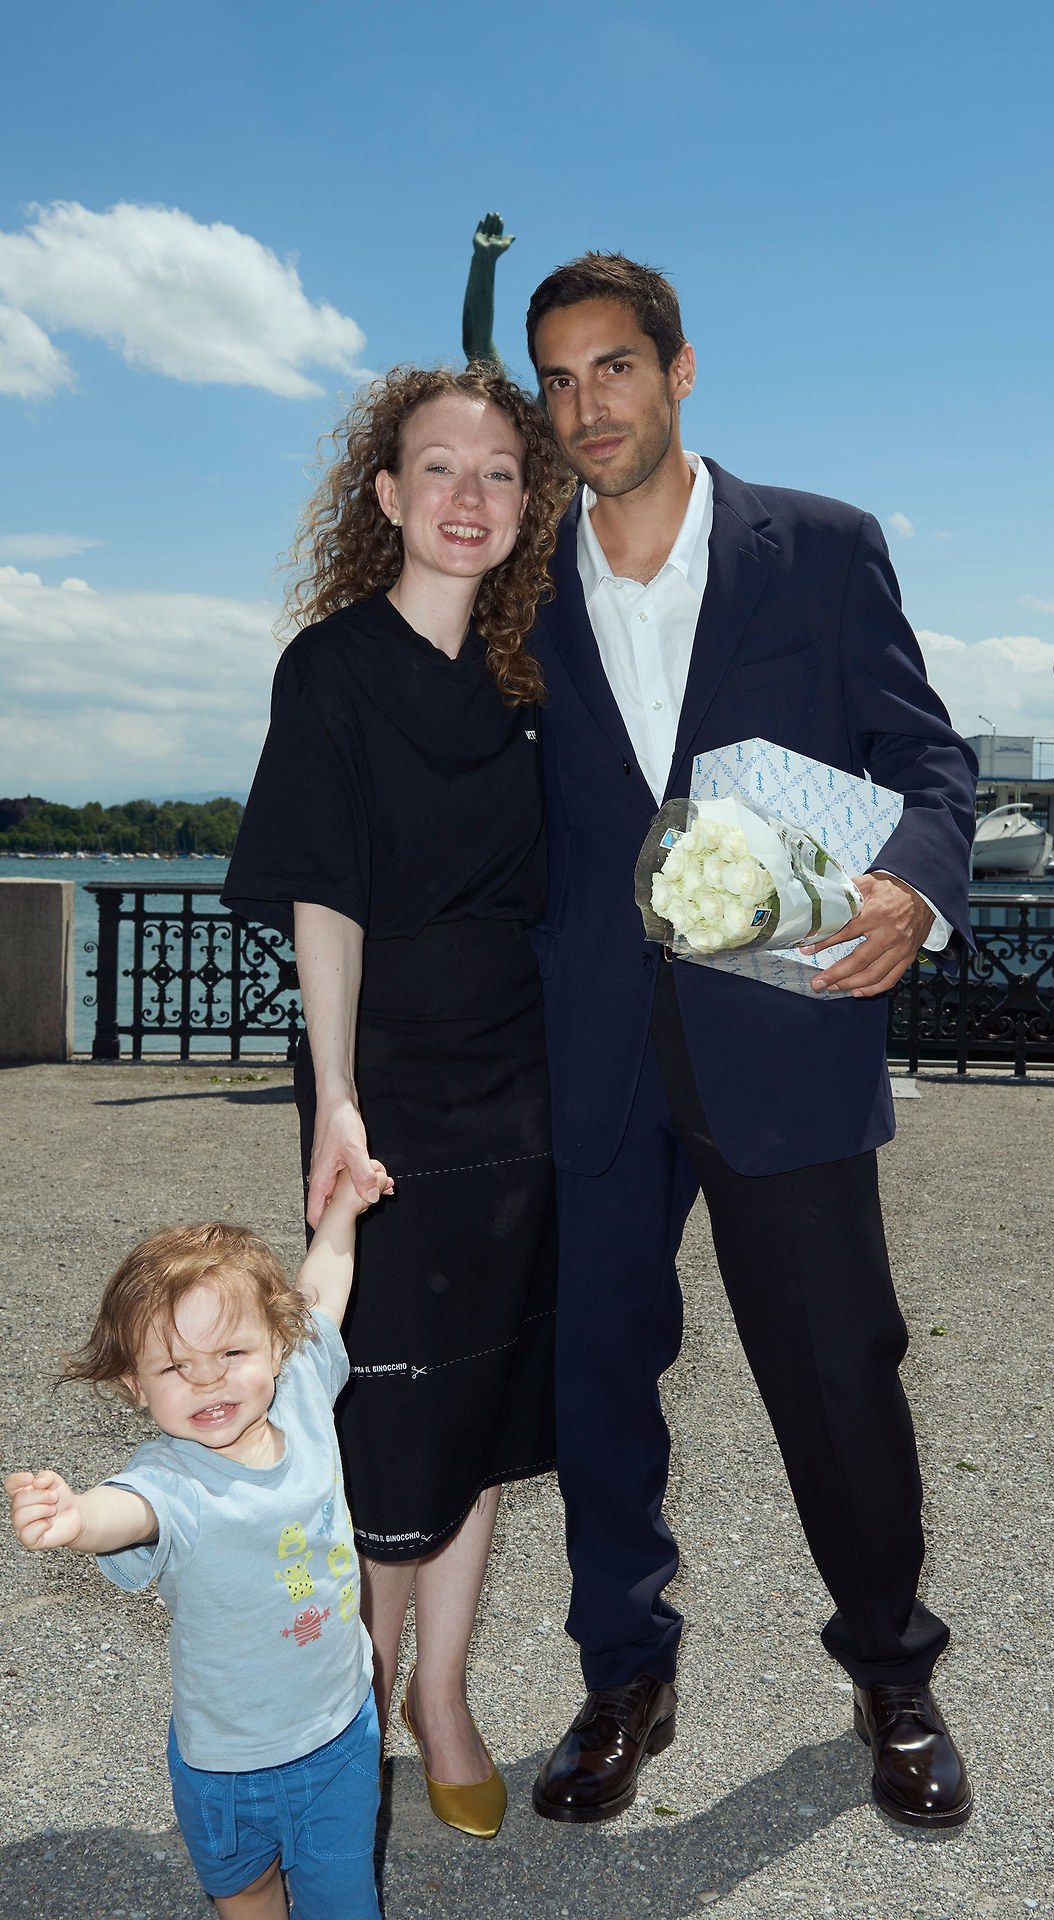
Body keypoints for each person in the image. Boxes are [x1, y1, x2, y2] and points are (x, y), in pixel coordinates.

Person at [522, 255, 980, 1831]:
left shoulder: (824, 548)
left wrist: (913, 887)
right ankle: (622, 1676)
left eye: (614, 368)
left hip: (788, 1033)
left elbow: (928, 760)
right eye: (559, 380)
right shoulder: (518, 581)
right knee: (597, 1375)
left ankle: (893, 1674)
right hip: (591, 1046)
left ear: (680, 370)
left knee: (839, 1371)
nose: (587, 406)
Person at [222, 364, 574, 1836]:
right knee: (384, 1405)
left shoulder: (536, 676)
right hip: (388, 1079)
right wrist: (337, 1101)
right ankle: (356, 1697)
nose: (468, 497)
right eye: (440, 467)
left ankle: (441, 1693)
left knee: (482, 1396)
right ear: (386, 493)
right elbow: (326, 893)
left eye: (499, 471)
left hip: (522, 1078)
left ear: (526, 504)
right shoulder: (334, 668)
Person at [5, 1169, 390, 1920]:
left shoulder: (302, 1391)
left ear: (278, 1344)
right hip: (226, 1763)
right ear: (135, 1386)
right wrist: (76, 1517)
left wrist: (343, 1211)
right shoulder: (172, 1479)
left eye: (231, 1354)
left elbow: (320, 1292)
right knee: (242, 1889)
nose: (209, 1382)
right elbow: (128, 1511)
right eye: (177, 1367)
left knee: (343, 1895)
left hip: (340, 1729)